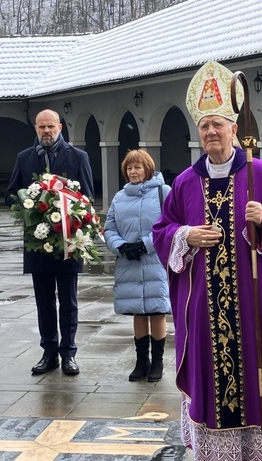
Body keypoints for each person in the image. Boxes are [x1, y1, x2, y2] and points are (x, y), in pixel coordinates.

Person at [152, 61, 262, 460]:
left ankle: (258, 452)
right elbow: (162, 230)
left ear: (235, 129)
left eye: (218, 125)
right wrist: (186, 236)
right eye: (204, 127)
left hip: (252, 304)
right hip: (203, 306)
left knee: (255, 374)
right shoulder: (185, 182)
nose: (211, 133)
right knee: (208, 376)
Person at [5, 108, 94, 376]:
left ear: (60, 127)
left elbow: (88, 198)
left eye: (51, 126)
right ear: (35, 129)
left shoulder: (78, 157)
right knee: (44, 301)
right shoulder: (24, 158)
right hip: (37, 242)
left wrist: (68, 212)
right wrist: (29, 203)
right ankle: (48, 352)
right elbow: (10, 195)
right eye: (41, 127)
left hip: (66, 242)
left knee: (68, 300)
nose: (46, 131)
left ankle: (69, 354)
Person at [104, 149, 171, 383]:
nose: (133, 171)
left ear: (148, 169)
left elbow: (170, 225)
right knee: (138, 310)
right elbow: (109, 228)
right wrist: (120, 246)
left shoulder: (164, 192)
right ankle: (141, 361)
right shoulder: (119, 197)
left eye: (137, 167)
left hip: (154, 260)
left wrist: (145, 245)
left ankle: (158, 361)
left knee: (156, 309)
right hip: (129, 261)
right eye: (129, 168)